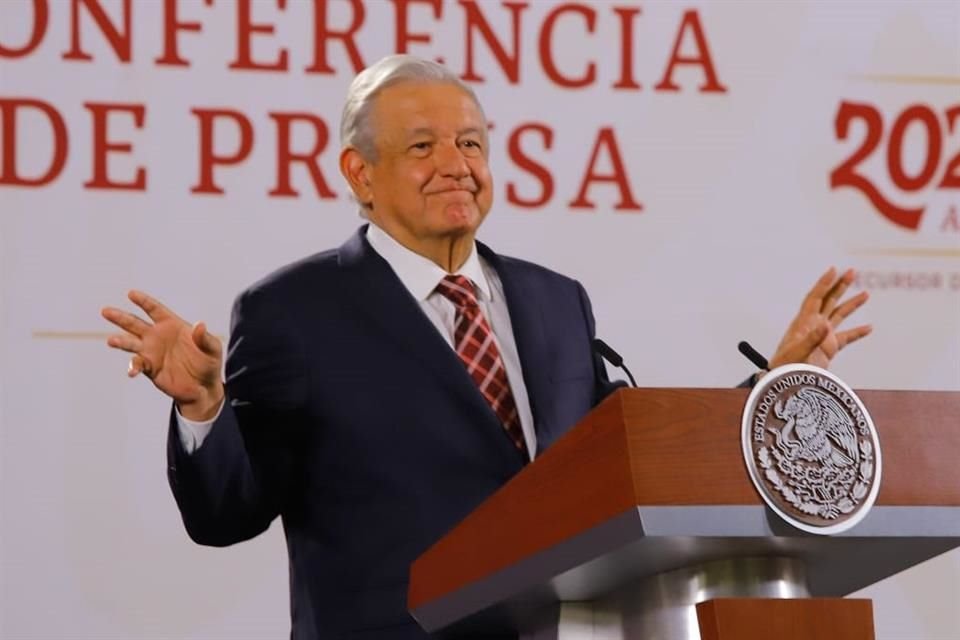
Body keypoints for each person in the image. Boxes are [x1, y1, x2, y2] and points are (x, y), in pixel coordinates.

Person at [101, 55, 871, 639]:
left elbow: (633, 460)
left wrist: (778, 380)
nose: (456, 165)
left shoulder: (554, 299)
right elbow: (229, 511)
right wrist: (204, 406)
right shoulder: (292, 312)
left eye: (470, 143)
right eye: (424, 147)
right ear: (359, 175)